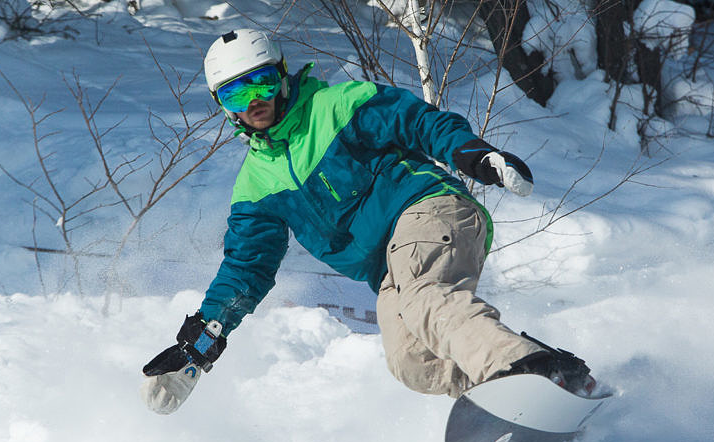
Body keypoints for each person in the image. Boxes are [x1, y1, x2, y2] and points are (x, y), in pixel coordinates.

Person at [140, 29, 594, 415]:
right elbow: (245, 270)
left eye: (260, 82)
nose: (254, 100)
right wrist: (197, 348)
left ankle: (523, 368)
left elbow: (417, 121)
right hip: (387, 271)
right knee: (412, 362)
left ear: (281, 76)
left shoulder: (338, 105)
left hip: (427, 208)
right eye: (238, 93)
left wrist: (472, 155)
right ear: (224, 106)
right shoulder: (255, 187)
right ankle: (536, 388)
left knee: (424, 298)